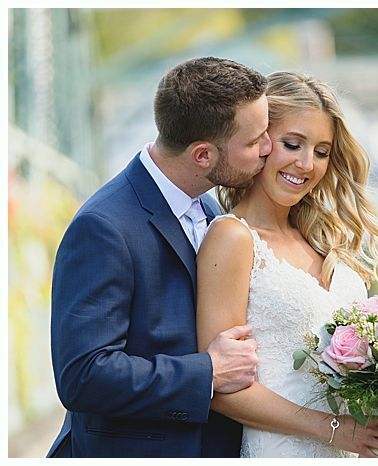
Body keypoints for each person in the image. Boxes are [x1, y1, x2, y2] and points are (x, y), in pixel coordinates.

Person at [48, 57, 272, 457]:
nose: (267, 149)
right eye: (254, 141)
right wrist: (207, 372)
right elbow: (82, 376)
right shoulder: (104, 227)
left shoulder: (212, 213)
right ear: (203, 155)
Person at [195, 71, 378, 458]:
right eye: (293, 144)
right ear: (260, 142)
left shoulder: (323, 242)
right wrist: (338, 431)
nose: (307, 164)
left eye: (322, 152)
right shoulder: (233, 238)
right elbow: (220, 388)